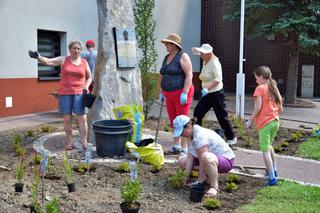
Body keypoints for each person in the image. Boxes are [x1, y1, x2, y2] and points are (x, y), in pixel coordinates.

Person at [28, 39, 92, 150]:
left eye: (78, 49)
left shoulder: (84, 62)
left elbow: (90, 76)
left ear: (81, 50)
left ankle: (84, 142)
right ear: (70, 49)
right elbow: (48, 61)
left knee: (82, 119)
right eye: (74, 48)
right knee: (67, 119)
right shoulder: (63, 59)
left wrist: (86, 86)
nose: (76, 50)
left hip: (79, 94)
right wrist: (38, 56)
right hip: (65, 93)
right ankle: (69, 142)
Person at [173, 115, 235, 197]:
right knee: (182, 161)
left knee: (206, 157)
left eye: (181, 132)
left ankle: (214, 186)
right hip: (211, 158)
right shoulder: (190, 135)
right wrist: (185, 178)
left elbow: (203, 160)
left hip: (226, 160)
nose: (181, 135)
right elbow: (190, 157)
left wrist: (199, 182)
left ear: (188, 126)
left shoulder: (200, 135)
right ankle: (209, 174)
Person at [191, 44, 237, 146]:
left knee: (221, 116)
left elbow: (218, 79)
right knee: (198, 112)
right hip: (207, 93)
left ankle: (231, 138)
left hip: (216, 93)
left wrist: (207, 88)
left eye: (203, 53)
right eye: (201, 53)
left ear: (209, 54)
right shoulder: (205, 62)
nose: (201, 55)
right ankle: (197, 135)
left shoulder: (215, 62)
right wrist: (205, 89)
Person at [246, 65, 283, 186]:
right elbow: (280, 106)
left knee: (265, 150)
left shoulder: (260, 88)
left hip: (265, 123)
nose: (256, 80)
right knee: (269, 146)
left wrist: (250, 120)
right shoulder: (273, 87)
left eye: (256, 78)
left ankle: (272, 178)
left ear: (261, 77)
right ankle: (275, 171)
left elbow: (258, 107)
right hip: (275, 121)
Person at [160, 33, 194, 155]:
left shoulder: (182, 56)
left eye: (168, 43)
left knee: (183, 120)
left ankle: (185, 148)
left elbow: (189, 74)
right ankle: (176, 145)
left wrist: (185, 92)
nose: (166, 46)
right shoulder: (166, 57)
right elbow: (163, 74)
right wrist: (162, 91)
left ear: (175, 45)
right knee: (174, 120)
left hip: (181, 93)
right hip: (169, 94)